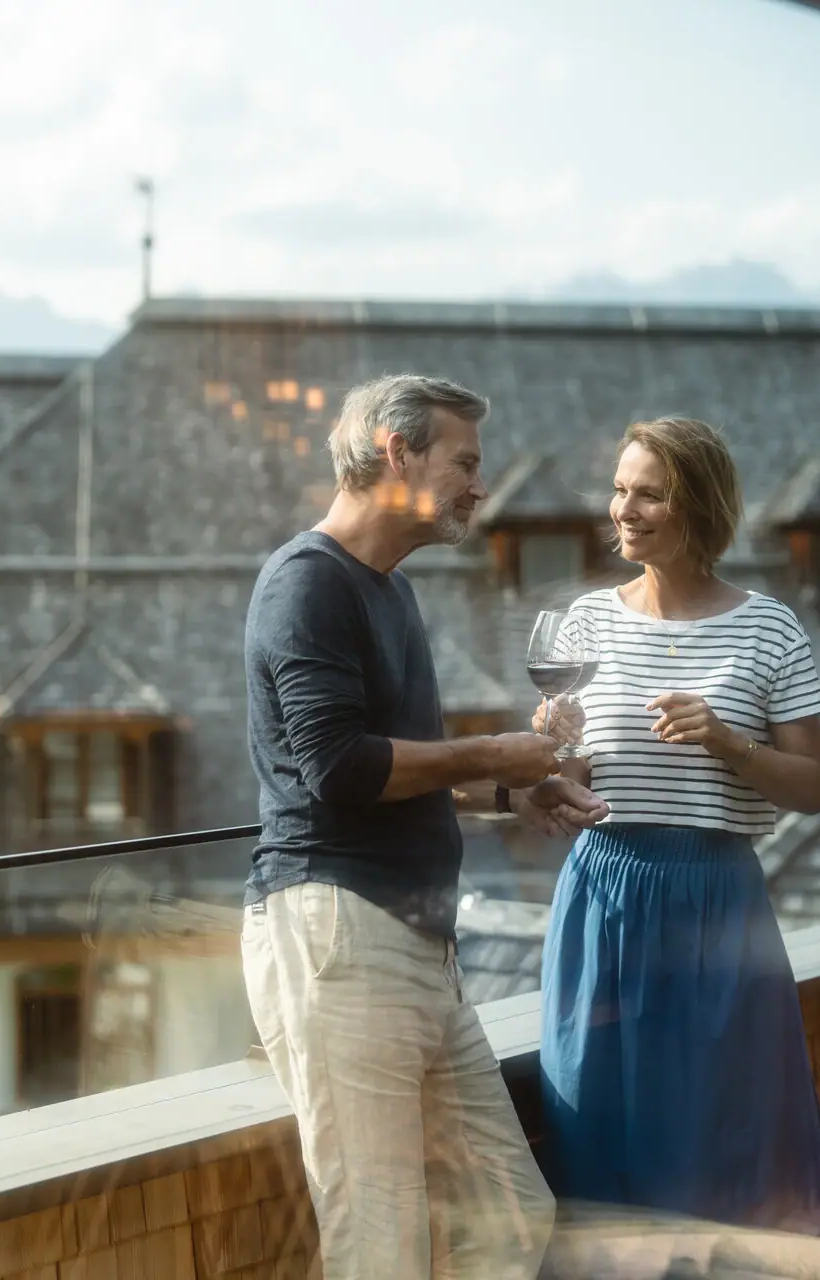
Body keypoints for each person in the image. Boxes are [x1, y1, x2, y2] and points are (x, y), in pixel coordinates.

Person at [241, 373, 610, 1279]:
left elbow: (391, 773)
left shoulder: (389, 593)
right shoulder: (307, 585)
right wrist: (493, 755)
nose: (480, 486)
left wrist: (511, 796)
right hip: (337, 936)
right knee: (380, 1240)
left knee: (508, 1215)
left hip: (417, 944)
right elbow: (337, 771)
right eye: (466, 462)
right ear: (395, 450)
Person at [533, 416, 820, 1235]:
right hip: (602, 895)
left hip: (716, 903)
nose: (623, 511)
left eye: (649, 495)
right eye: (620, 490)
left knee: (723, 1134)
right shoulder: (587, 623)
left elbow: (813, 787)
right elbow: (573, 775)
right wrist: (556, 762)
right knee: (594, 1123)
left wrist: (729, 741)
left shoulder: (770, 628)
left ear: (697, 507)